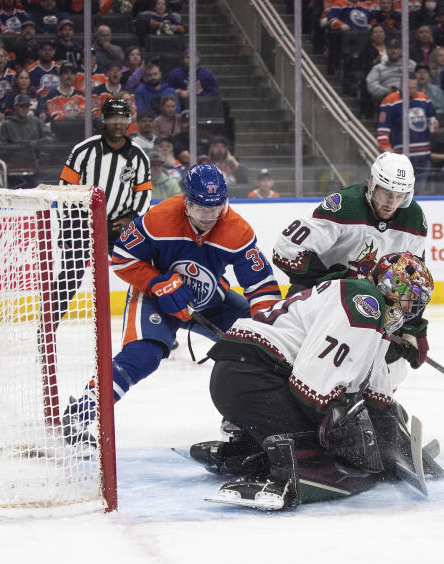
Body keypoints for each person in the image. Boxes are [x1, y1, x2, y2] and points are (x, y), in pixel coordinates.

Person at [61, 164, 282, 446]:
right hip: (157, 298)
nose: (210, 217)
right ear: (186, 202)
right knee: (142, 356)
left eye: (216, 208)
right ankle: (81, 411)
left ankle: (239, 419)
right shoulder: (159, 218)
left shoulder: (237, 231)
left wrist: (268, 326)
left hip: (210, 300)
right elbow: (122, 257)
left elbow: (262, 286)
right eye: (202, 208)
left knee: (256, 348)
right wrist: (156, 283)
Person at [196, 252, 434, 510]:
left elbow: (375, 391)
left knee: (343, 442)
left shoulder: (366, 303)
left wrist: (390, 441)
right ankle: (279, 476)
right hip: (253, 379)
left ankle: (241, 452)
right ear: (392, 286)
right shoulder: (366, 301)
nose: (411, 310)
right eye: (411, 298)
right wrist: (343, 432)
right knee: (338, 463)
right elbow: (313, 383)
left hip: (243, 376)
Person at [272, 151, 430, 378]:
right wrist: (334, 281)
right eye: (386, 193)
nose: (391, 203)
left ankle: (364, 410)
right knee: (294, 358)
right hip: (319, 297)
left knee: (393, 368)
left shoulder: (414, 219)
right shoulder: (343, 205)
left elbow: (412, 278)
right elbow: (286, 250)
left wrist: (413, 327)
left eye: (399, 196)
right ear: (372, 184)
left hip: (368, 306)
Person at [60, 97, 152, 260]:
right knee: (70, 276)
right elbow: (65, 188)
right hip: (83, 223)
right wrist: (66, 224)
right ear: (103, 120)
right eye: (113, 119)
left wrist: (132, 218)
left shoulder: (139, 156)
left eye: (122, 119)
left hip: (120, 226)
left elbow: (143, 192)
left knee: (135, 273)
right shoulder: (83, 150)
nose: (118, 125)